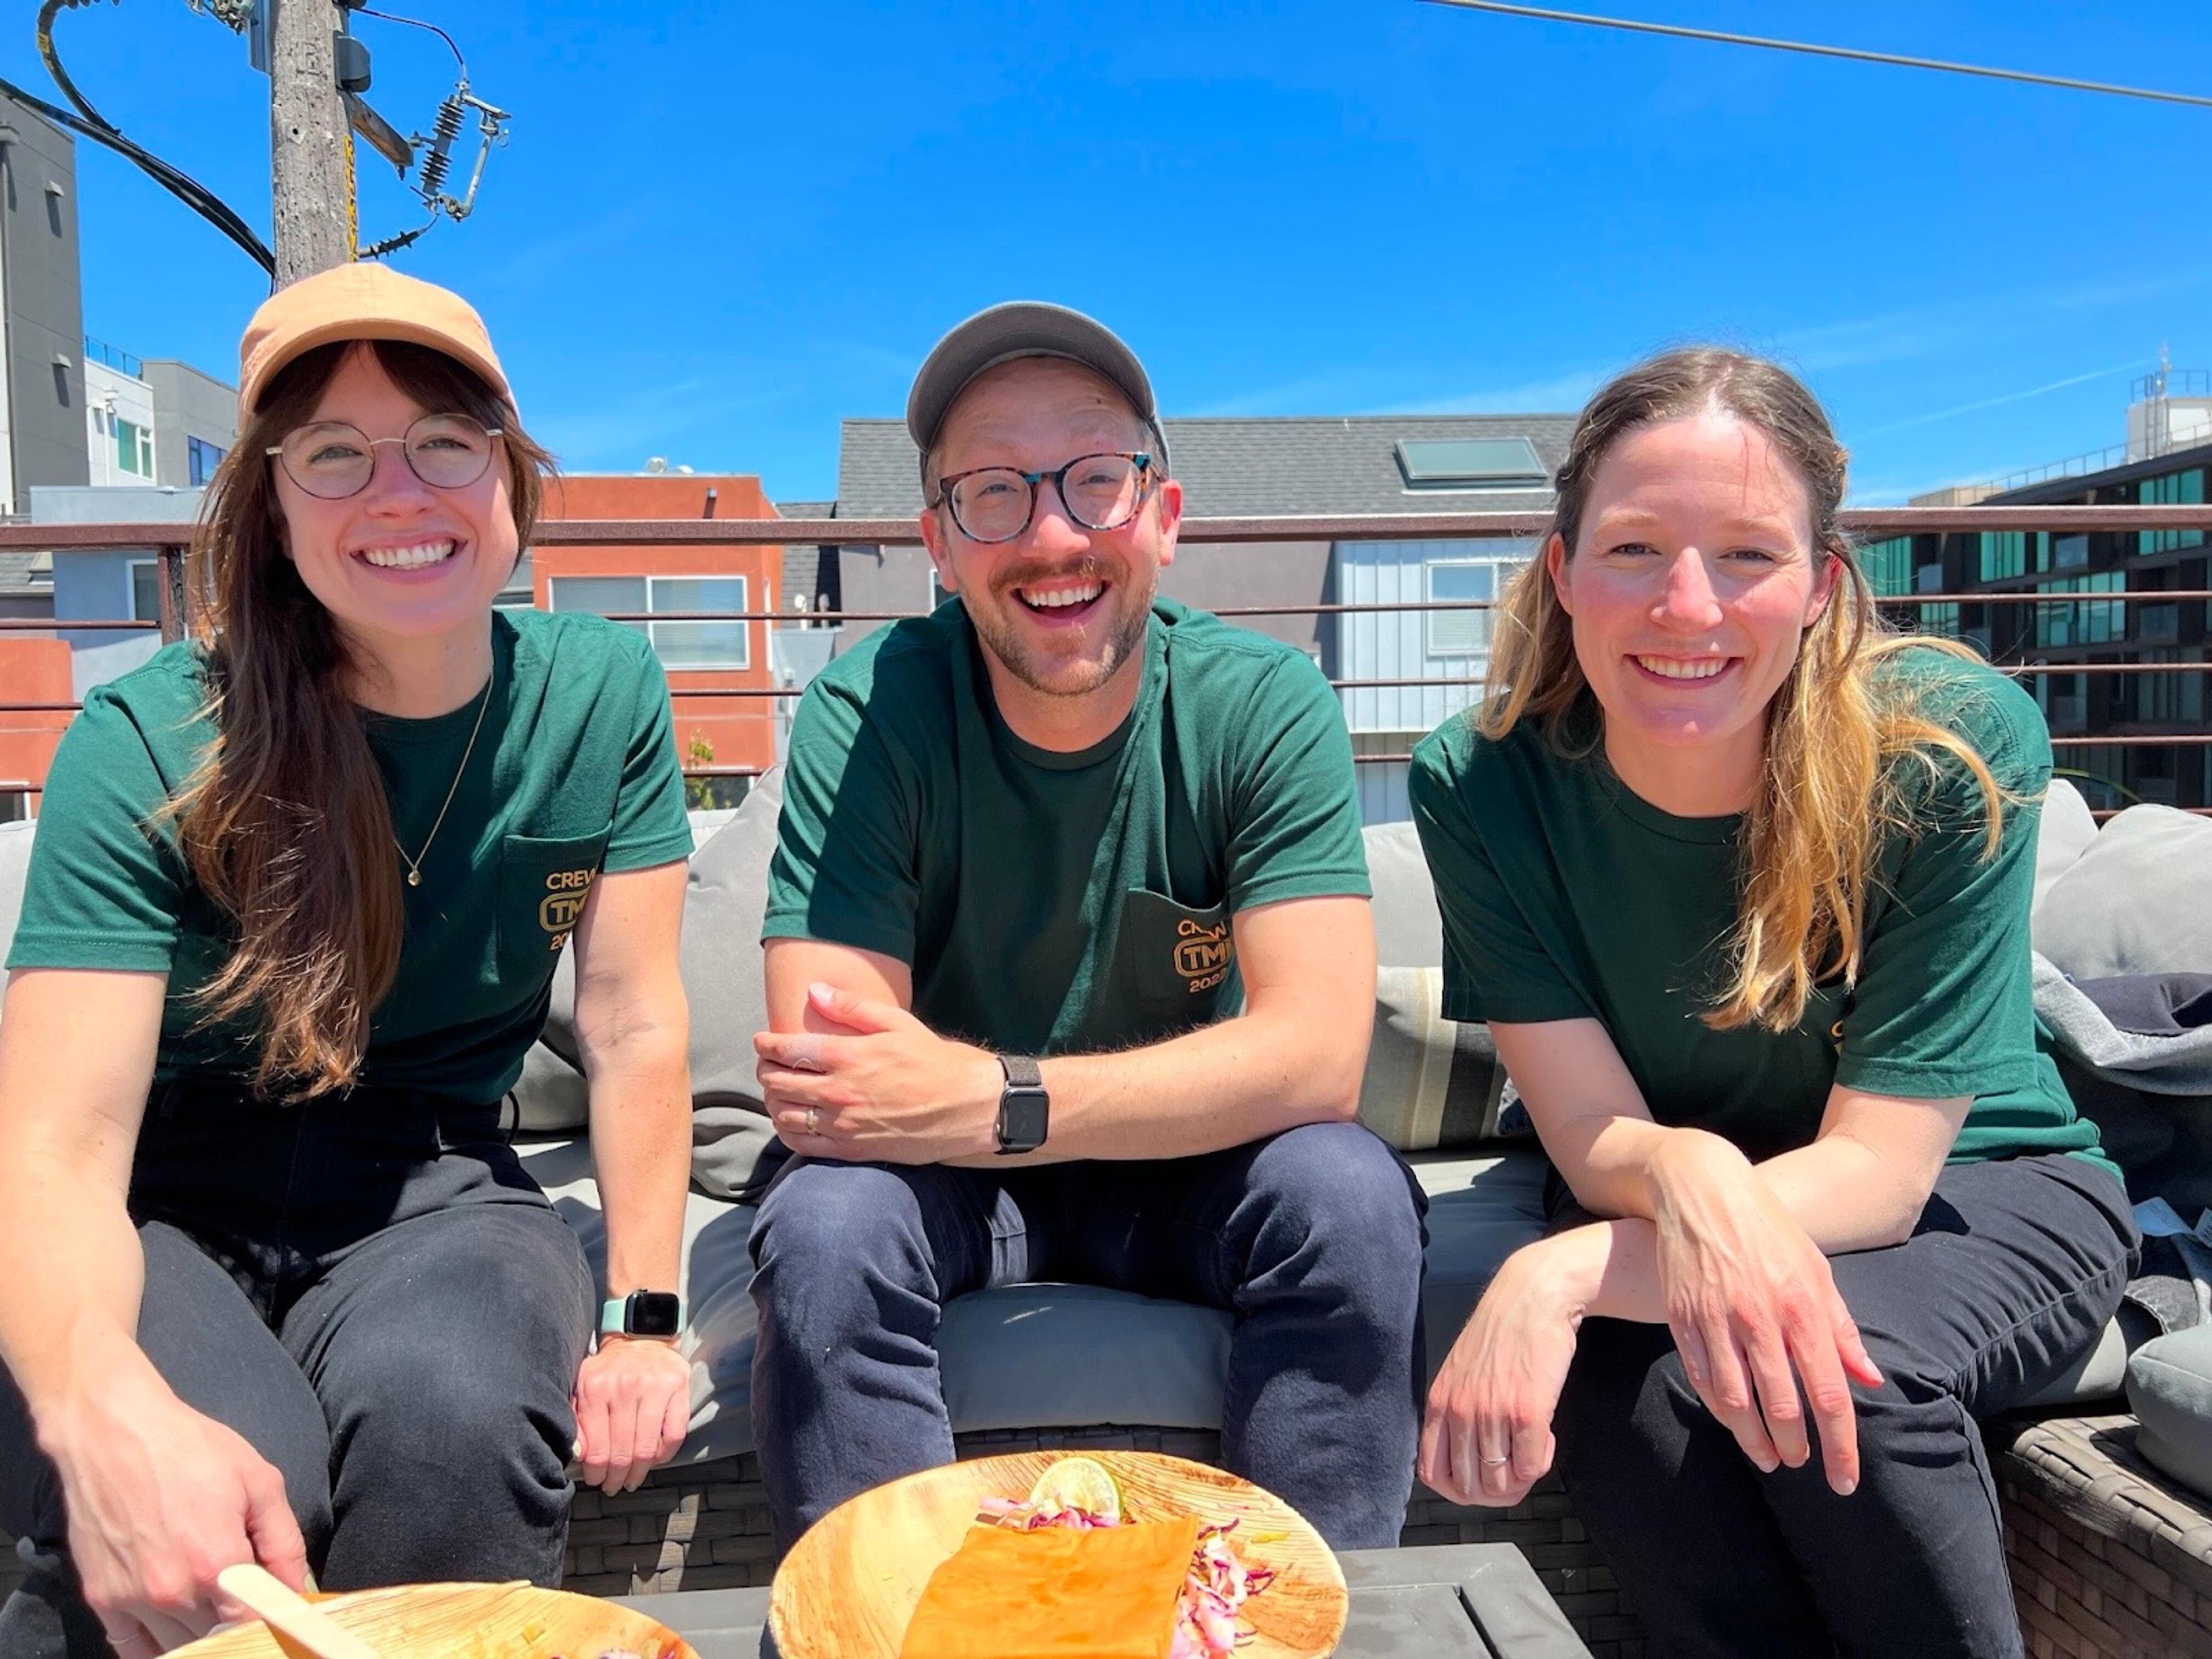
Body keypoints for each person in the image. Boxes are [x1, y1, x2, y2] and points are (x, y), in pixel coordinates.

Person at [0, 265, 698, 1659]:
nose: (401, 492)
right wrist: (93, 1404)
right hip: (168, 1198)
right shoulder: (147, 744)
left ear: (510, 475)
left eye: (446, 440)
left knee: (462, 1419)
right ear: (271, 502)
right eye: (333, 453)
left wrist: (641, 1321)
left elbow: (632, 1028)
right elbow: (58, 1151)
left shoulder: (604, 695)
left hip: (439, 1177)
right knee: (223, 1484)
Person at [1409, 347, 2138, 1658]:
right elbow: (1588, 1124)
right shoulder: (1486, 780)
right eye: (1634, 549)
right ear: (1563, 571)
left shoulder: (1947, 748)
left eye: (1748, 554)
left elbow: (1883, 1173)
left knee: (1838, 1369)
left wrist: (1559, 1270)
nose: (1688, 606)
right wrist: (1683, 1175)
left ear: (1821, 588)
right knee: (1635, 1405)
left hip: (1986, 1180)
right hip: (1663, 1191)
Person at [747, 301, 1426, 1551]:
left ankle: (1300, 1624)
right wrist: (966, 1119)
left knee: (1351, 1196)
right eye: (994, 493)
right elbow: (831, 1083)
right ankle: (893, 1632)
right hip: (943, 1191)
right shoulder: (872, 708)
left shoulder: (1261, 703)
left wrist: (993, 1099)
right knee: (828, 1221)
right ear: (939, 544)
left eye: (1095, 482)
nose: (1053, 535)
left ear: (1164, 517)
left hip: (1188, 1179)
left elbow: (1319, 1059)